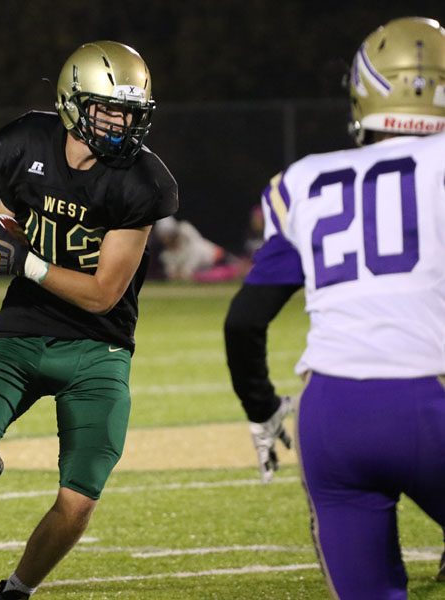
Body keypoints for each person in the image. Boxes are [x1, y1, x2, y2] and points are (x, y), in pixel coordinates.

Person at [0, 41, 178, 599]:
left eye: (130, 112)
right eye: (107, 109)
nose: (121, 123)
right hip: (22, 330)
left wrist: (24, 260)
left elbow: (102, 295)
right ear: (71, 102)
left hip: (99, 347)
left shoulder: (142, 182)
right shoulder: (22, 143)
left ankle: (17, 590)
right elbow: (8, 224)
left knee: (80, 495)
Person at [226, 17, 445, 598]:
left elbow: (244, 319)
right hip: (430, 400)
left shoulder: (305, 179)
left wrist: (262, 406)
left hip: (332, 415)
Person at [152, 216, 244, 282]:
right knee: (204, 277)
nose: (166, 239)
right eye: (163, 236)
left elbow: (196, 249)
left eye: (168, 235)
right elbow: (171, 274)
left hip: (218, 256)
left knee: (242, 270)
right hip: (205, 270)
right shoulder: (166, 255)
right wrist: (177, 274)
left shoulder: (186, 232)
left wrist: (186, 270)